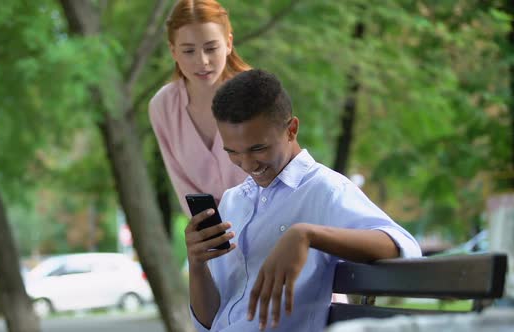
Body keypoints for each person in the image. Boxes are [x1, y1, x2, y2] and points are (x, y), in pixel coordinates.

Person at [185, 69, 422, 332]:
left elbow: (404, 247)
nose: (248, 164)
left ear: (292, 130)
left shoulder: (325, 191)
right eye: (233, 153)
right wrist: (197, 264)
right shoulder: (232, 202)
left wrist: (306, 234)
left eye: (258, 149)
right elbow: (208, 322)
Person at [149, 0, 251, 215]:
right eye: (188, 51)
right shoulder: (163, 107)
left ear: (228, 43)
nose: (202, 61)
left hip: (274, 227)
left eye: (211, 48)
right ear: (173, 51)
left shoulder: (257, 94)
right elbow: (183, 186)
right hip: (213, 238)